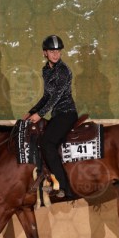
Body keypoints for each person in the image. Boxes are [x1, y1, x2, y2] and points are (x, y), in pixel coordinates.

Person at [23, 35, 78, 199]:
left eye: (58, 51)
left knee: (47, 143)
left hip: (67, 113)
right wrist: (32, 111)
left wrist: (40, 114)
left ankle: (64, 188)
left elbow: (56, 97)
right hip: (56, 114)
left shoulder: (63, 70)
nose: (55, 54)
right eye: (52, 51)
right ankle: (45, 178)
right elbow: (47, 95)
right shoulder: (46, 70)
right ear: (44, 53)